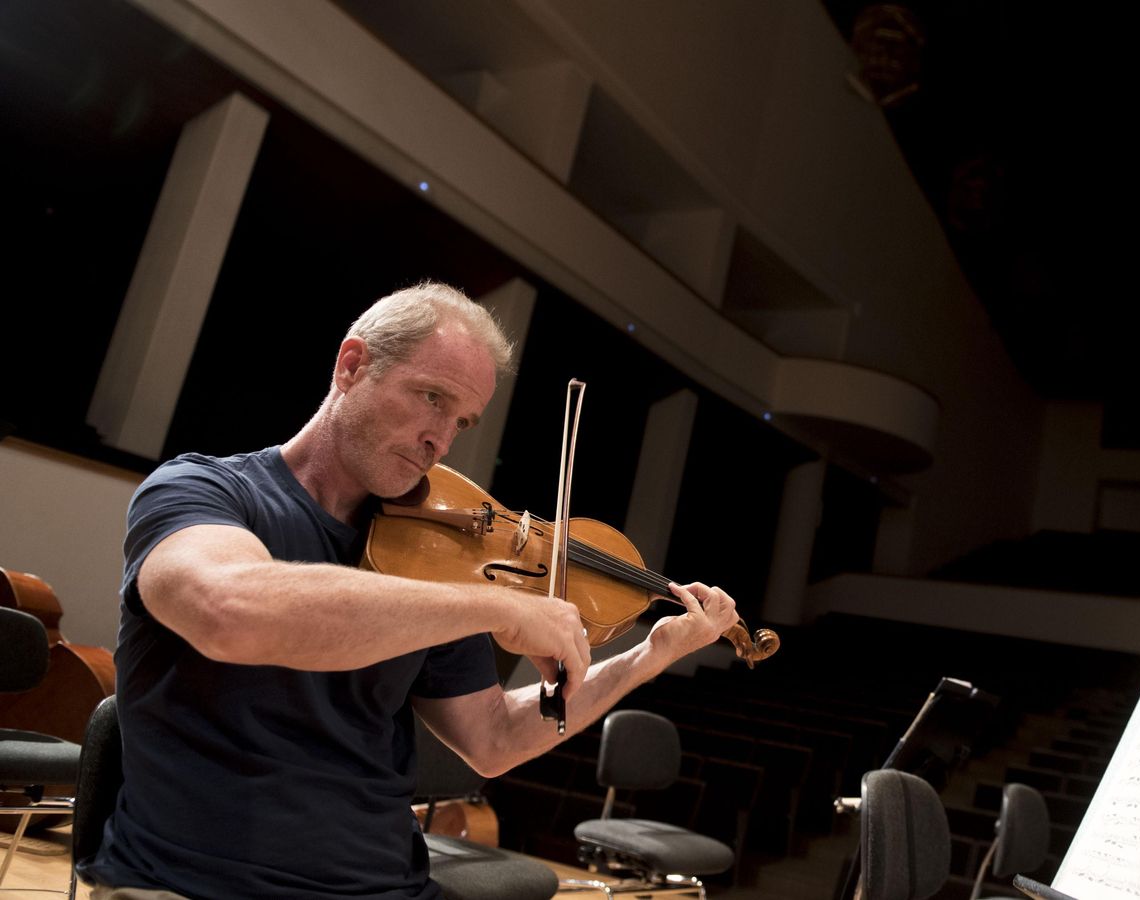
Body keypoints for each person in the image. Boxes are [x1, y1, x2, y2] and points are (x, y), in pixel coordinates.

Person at [80, 282, 741, 899]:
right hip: (199, 881)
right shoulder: (201, 491)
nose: (440, 440)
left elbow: (494, 738)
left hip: (387, 883)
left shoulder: (438, 562)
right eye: (432, 398)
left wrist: (648, 656)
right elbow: (228, 612)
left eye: (463, 422)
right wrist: (495, 606)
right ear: (351, 366)